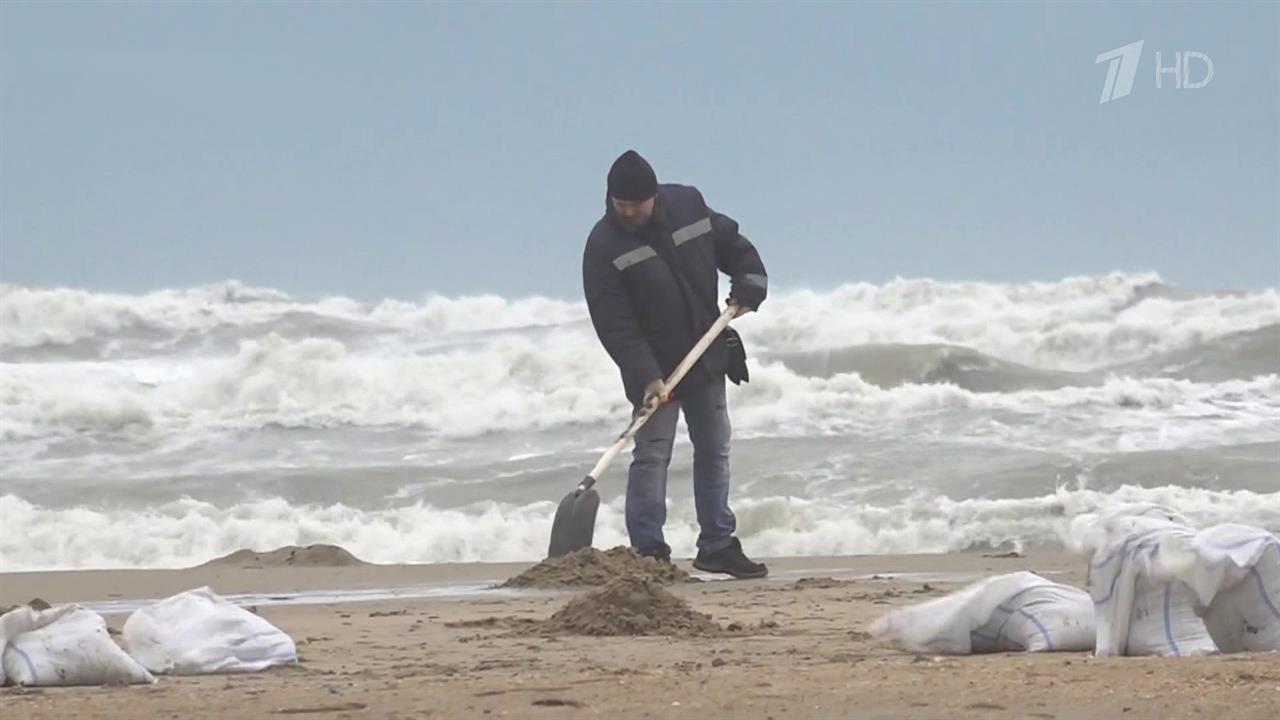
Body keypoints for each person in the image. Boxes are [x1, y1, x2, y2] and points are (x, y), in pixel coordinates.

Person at [582, 149, 769, 579]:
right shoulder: (604, 246)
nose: (628, 212)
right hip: (653, 369)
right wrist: (646, 376)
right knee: (651, 455)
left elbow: (734, 246)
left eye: (636, 204)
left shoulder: (688, 205)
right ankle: (649, 554)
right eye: (620, 205)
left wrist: (750, 283)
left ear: (654, 196)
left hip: (704, 352)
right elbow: (614, 324)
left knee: (714, 449)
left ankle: (717, 545)